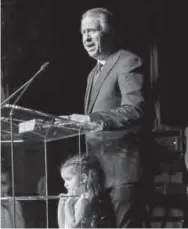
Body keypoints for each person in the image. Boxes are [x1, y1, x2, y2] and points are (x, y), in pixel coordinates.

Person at [56, 7, 153, 227]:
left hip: (122, 170)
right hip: (99, 173)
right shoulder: (93, 73)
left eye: (92, 31)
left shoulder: (128, 61)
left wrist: (90, 119)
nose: (86, 38)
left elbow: (135, 109)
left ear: (109, 31)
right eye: (83, 33)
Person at [57, 154, 115, 228]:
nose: (65, 184)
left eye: (68, 179)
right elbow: (62, 227)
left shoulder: (84, 200)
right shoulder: (75, 199)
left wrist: (68, 205)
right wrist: (61, 205)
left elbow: (74, 225)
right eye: (64, 180)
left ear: (83, 178)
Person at [1, 163, 25, 228]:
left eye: (3, 184)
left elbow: (20, 227)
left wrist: (10, 208)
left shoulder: (14, 203)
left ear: (10, 184)